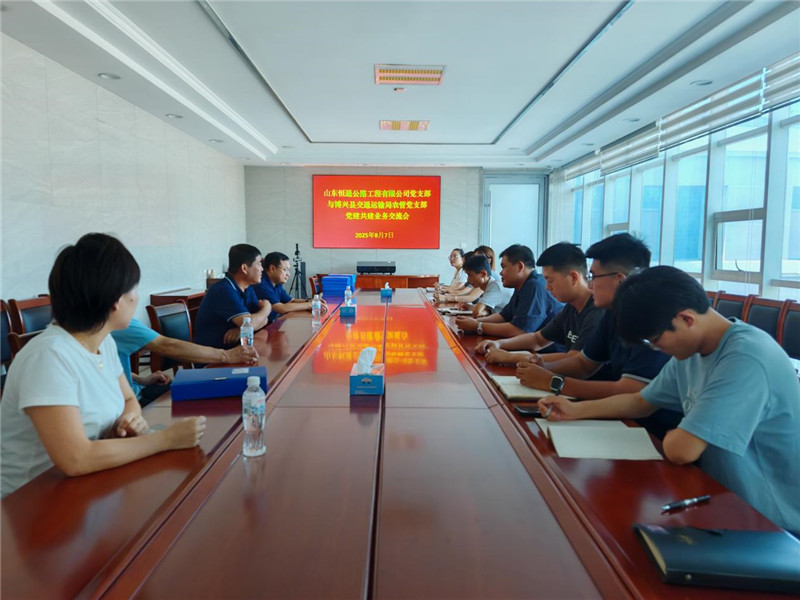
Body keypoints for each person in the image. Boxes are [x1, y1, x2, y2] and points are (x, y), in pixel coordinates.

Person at [537, 266, 800, 535]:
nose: (656, 349)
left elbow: (682, 450)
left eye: (656, 340)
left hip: (771, 523)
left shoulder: (746, 357)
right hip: (720, 499)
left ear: (686, 319)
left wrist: (678, 435)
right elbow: (642, 401)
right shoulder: (693, 350)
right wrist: (575, 410)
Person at [1, 233, 206, 497]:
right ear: (115, 301)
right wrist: (166, 439)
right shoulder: (48, 358)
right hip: (32, 502)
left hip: (89, 487)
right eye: (134, 288)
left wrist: (128, 419)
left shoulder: (104, 342)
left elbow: (129, 399)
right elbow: (76, 458)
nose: (136, 297)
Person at [513, 234, 679, 437]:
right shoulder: (613, 313)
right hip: (614, 417)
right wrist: (542, 367)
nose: (590, 285)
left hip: (652, 431)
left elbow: (631, 391)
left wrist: (553, 381)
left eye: (594, 277)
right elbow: (583, 364)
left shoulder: (651, 318)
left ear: (619, 280)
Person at [476, 242, 602, 364]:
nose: (547, 287)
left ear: (573, 277)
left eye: (550, 280)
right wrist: (499, 344)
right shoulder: (571, 308)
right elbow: (537, 340)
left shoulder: (597, 311)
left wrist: (511, 357)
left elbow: (576, 361)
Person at [112, 318, 258, 406]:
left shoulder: (106, 326)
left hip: (138, 391)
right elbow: (166, 345)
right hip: (132, 405)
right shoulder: (119, 323)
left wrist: (141, 379)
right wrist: (227, 355)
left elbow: (110, 368)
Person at [455, 244, 562, 338]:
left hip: (545, 351)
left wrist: (477, 326)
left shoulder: (534, 286)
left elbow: (520, 330)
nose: (500, 273)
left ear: (520, 267)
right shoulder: (521, 285)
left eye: (504, 267)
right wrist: (474, 322)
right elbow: (504, 316)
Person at [194, 244, 272, 349]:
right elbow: (252, 322)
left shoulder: (247, 288)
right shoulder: (223, 290)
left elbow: (263, 319)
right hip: (213, 355)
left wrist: (241, 330)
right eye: (259, 264)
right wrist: (267, 307)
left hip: (233, 349)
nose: (262, 269)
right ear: (244, 268)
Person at [252, 251, 326, 323]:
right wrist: (311, 305)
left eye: (288, 270)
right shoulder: (261, 284)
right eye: (285, 269)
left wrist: (311, 301)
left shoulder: (276, 282)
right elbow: (281, 308)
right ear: (272, 268)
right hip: (260, 327)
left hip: (271, 322)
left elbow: (290, 300)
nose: (288, 274)